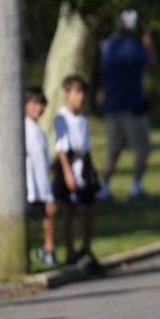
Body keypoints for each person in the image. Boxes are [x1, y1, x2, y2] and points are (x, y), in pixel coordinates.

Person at [97, 9, 157, 201]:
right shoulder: (134, 47)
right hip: (133, 106)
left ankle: (104, 188)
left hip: (112, 106)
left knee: (113, 150)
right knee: (142, 148)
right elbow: (153, 63)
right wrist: (148, 42)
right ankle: (135, 187)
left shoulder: (108, 46)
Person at [52, 75, 103, 270]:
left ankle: (86, 248)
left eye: (83, 93)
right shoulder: (61, 117)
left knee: (92, 207)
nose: (81, 97)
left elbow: (86, 146)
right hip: (69, 165)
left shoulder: (82, 118)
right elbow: (61, 148)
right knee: (70, 209)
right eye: (77, 92)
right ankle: (70, 251)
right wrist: (67, 173)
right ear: (67, 93)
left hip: (83, 166)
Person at [25, 87, 58, 267]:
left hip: (42, 182)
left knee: (50, 211)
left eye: (42, 104)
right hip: (30, 183)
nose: (39, 108)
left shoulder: (38, 130)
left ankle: (48, 249)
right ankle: (23, 252)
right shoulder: (22, 127)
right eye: (35, 103)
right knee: (26, 218)